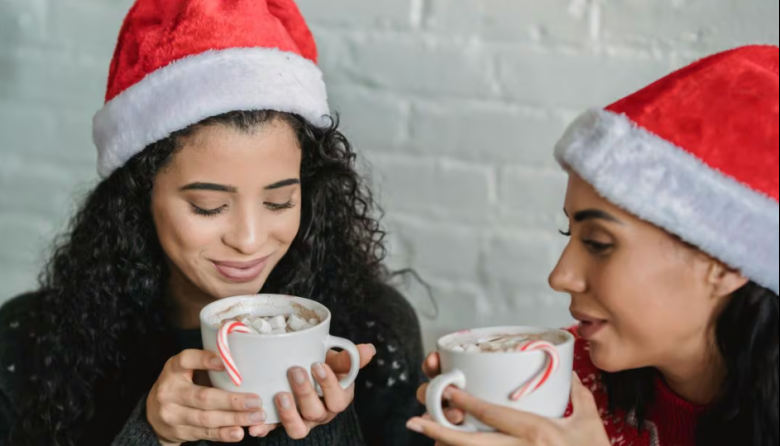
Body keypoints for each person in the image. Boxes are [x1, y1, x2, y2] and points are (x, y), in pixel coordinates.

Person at [0, 1, 430, 445]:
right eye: (208, 206)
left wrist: (327, 428)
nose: (249, 240)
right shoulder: (30, 344)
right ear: (136, 199)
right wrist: (153, 436)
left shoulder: (374, 329)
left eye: (280, 201)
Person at [409, 45, 779, 446]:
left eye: (600, 243)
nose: (559, 276)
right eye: (570, 234)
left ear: (725, 264)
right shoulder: (556, 379)